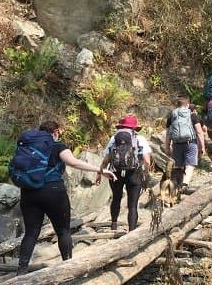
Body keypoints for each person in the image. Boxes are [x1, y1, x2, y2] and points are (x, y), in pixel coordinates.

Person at [17, 120, 115, 275]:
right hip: (53, 191)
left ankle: (21, 272)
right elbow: (74, 163)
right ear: (55, 132)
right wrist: (100, 169)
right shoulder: (57, 146)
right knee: (63, 231)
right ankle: (68, 268)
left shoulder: (27, 147)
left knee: (31, 233)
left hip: (28, 192)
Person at [97, 115, 153, 231]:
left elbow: (107, 158)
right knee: (132, 205)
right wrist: (146, 173)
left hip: (115, 173)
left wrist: (100, 172)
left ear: (121, 126)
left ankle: (114, 225)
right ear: (134, 128)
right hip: (134, 173)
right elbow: (147, 160)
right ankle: (131, 230)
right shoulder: (140, 139)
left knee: (116, 198)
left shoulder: (114, 138)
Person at [165, 94, 206, 194]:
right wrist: (202, 146)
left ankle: (176, 185)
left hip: (176, 144)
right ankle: (184, 184)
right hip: (190, 143)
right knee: (190, 164)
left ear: (177, 104)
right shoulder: (192, 115)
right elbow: (199, 132)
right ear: (188, 104)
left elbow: (168, 134)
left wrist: (167, 147)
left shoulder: (172, 116)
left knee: (178, 166)